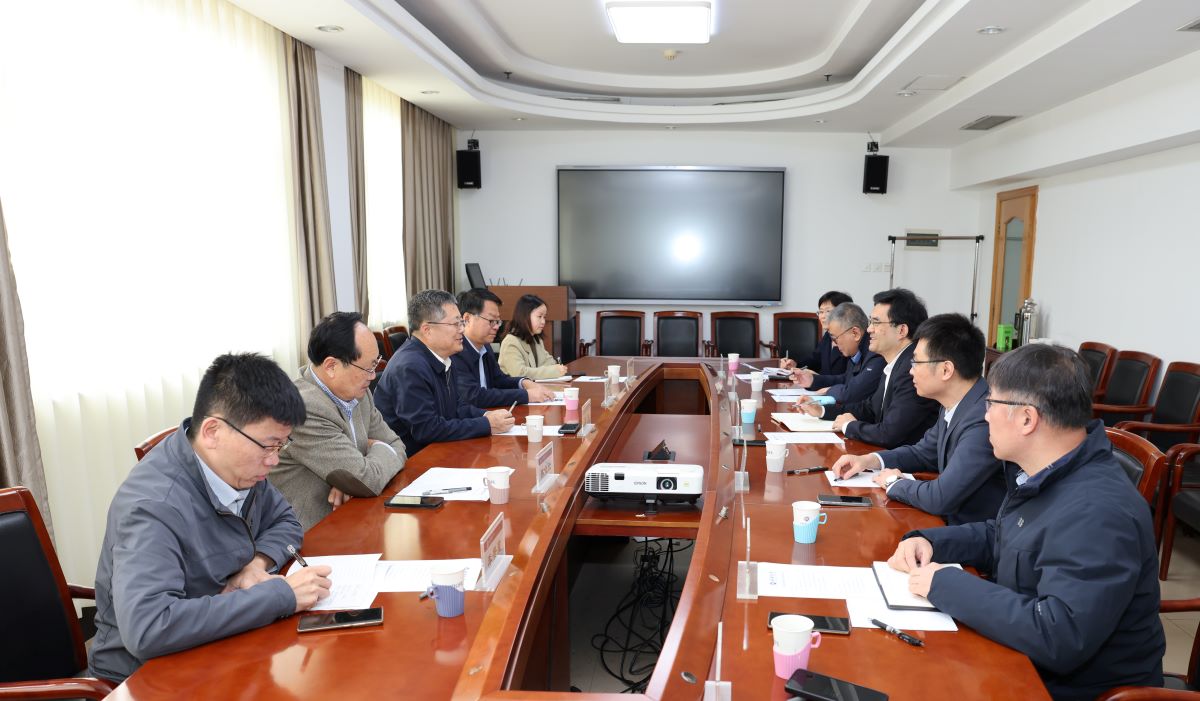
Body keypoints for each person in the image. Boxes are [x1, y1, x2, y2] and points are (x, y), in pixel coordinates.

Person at [887, 344, 1164, 700]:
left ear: (1027, 419)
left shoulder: (1098, 511)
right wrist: (931, 541)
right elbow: (1007, 535)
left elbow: (1059, 635)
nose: (985, 415)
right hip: (1020, 660)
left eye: (991, 403)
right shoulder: (1047, 471)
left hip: (1068, 689)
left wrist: (945, 585)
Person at [89, 353, 332, 683]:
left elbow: (285, 521)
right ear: (213, 431)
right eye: (268, 446)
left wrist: (255, 565)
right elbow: (148, 628)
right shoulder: (153, 506)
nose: (274, 460)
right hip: (146, 677)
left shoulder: (237, 468)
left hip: (217, 646)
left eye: (281, 446)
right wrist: (280, 596)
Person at [832, 313, 1005, 524]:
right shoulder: (957, 402)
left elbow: (941, 497)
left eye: (916, 362)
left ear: (946, 370)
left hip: (970, 533)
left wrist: (894, 482)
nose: (910, 371)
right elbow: (922, 453)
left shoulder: (984, 418)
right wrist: (868, 460)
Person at [270, 312, 407, 531]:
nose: (373, 376)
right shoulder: (304, 408)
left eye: (375, 365)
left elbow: (397, 446)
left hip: (354, 518)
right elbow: (367, 479)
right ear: (331, 366)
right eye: (368, 368)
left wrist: (354, 477)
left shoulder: (359, 393)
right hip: (310, 534)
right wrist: (360, 471)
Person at [374, 289, 514, 455]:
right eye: (455, 324)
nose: (462, 329)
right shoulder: (410, 367)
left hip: (439, 450)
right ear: (427, 330)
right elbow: (427, 429)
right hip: (413, 460)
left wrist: (488, 415)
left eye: (461, 323)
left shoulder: (444, 357)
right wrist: (486, 424)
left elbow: (457, 407)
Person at [795, 288, 937, 448]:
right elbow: (869, 408)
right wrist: (822, 410)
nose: (869, 329)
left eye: (876, 322)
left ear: (901, 330)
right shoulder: (895, 362)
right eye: (870, 322)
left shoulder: (912, 369)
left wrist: (849, 426)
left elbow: (889, 434)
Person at [452, 288, 557, 408]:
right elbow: (474, 396)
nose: (496, 327)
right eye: (491, 320)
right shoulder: (456, 350)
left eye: (497, 321)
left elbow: (499, 380)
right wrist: (526, 395)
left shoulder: (485, 347)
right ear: (467, 319)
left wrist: (523, 382)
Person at [788, 302, 883, 405]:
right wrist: (812, 380)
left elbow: (851, 394)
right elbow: (846, 379)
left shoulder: (876, 353)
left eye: (835, 338)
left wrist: (830, 390)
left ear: (855, 333)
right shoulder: (857, 351)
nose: (835, 344)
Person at [779, 290, 852, 376]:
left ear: (844, 313)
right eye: (821, 312)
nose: (823, 316)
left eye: (828, 311)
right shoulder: (828, 336)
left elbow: (848, 378)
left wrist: (818, 378)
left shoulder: (851, 340)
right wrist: (796, 365)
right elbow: (815, 360)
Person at [498, 294, 570, 380]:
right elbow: (519, 373)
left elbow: (547, 361)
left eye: (544, 317)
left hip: (533, 387)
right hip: (515, 388)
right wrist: (553, 371)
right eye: (539, 316)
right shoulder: (511, 341)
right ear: (525, 316)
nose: (543, 321)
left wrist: (558, 367)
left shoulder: (536, 339)